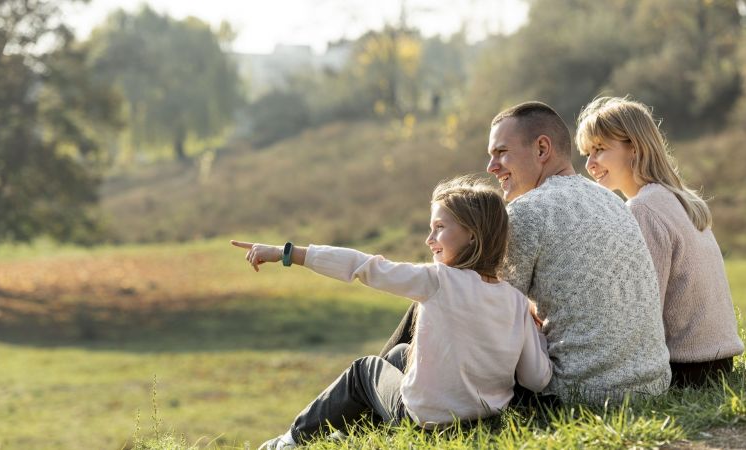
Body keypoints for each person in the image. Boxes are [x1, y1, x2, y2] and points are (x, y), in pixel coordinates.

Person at [382, 101, 671, 405]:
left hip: (579, 392)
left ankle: (383, 403)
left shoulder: (527, 213)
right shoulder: (610, 201)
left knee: (434, 299)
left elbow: (482, 311)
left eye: (501, 153)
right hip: (651, 383)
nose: (491, 167)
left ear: (542, 149)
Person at [232, 176, 552, 450]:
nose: (429, 240)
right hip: (478, 423)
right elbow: (536, 378)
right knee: (400, 354)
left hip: (424, 423)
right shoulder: (515, 301)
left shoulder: (438, 281)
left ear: (473, 235)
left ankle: (290, 440)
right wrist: (537, 331)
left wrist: (285, 253)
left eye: (440, 228)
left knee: (364, 371)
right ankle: (352, 432)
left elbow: (364, 267)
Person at [576, 96, 744, 387]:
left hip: (688, 368)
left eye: (600, 149)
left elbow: (640, 307)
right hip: (718, 360)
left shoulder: (644, 208)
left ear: (635, 148)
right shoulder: (677, 198)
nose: (590, 164)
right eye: (586, 153)